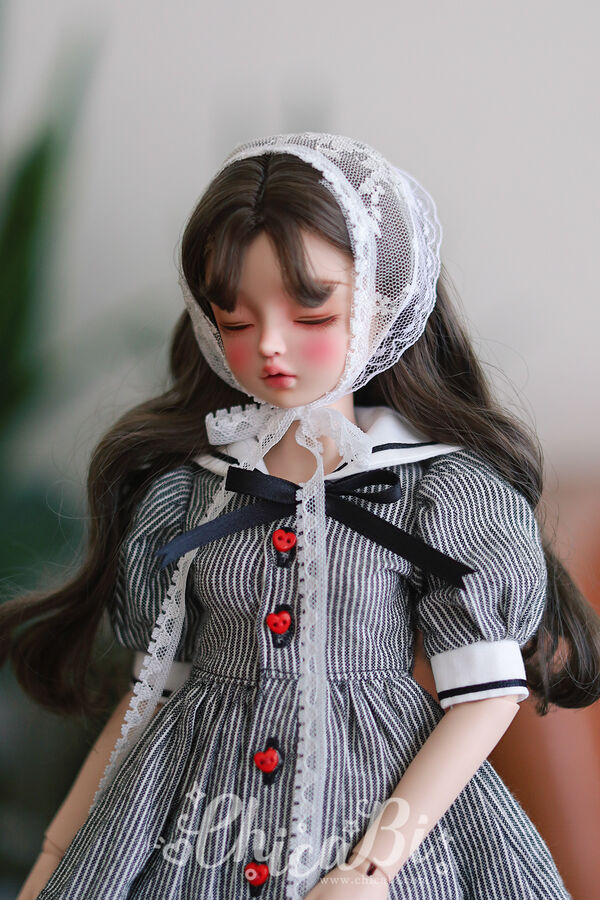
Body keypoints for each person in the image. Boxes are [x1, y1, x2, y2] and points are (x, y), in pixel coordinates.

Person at [4, 132, 599, 900]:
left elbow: (485, 698)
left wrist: (370, 869)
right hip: (196, 834)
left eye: (311, 311)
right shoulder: (193, 493)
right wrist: (56, 858)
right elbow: (151, 694)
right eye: (236, 320)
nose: (270, 346)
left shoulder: (438, 493)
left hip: (374, 822)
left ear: (379, 305)